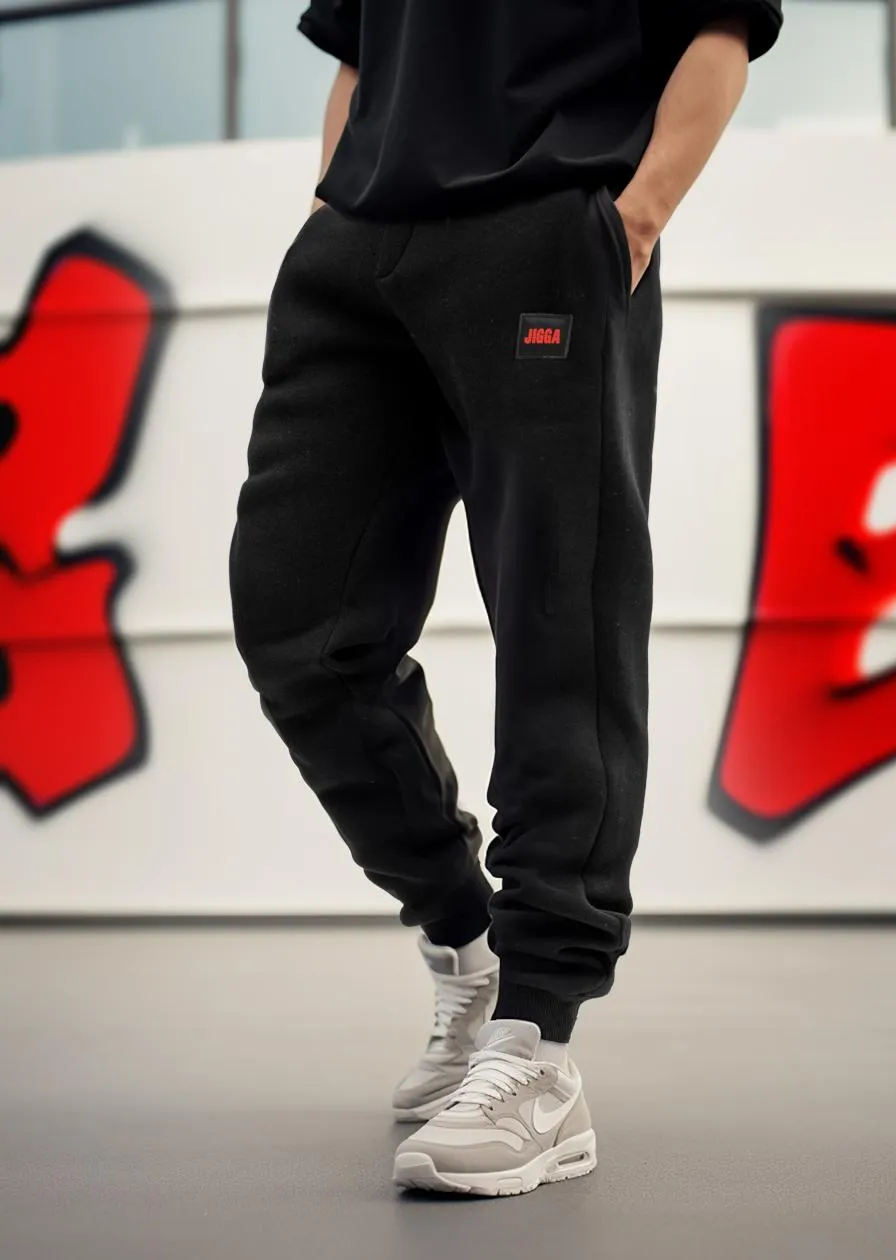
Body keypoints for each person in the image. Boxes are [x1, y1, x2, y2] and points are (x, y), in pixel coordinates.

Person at [230, 0, 783, 1197]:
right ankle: (463, 934)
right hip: (357, 252)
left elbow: (720, 32)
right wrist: (330, 207)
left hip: (544, 227)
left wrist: (632, 217)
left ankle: (535, 1041)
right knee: (296, 628)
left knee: (558, 628)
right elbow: (360, 50)